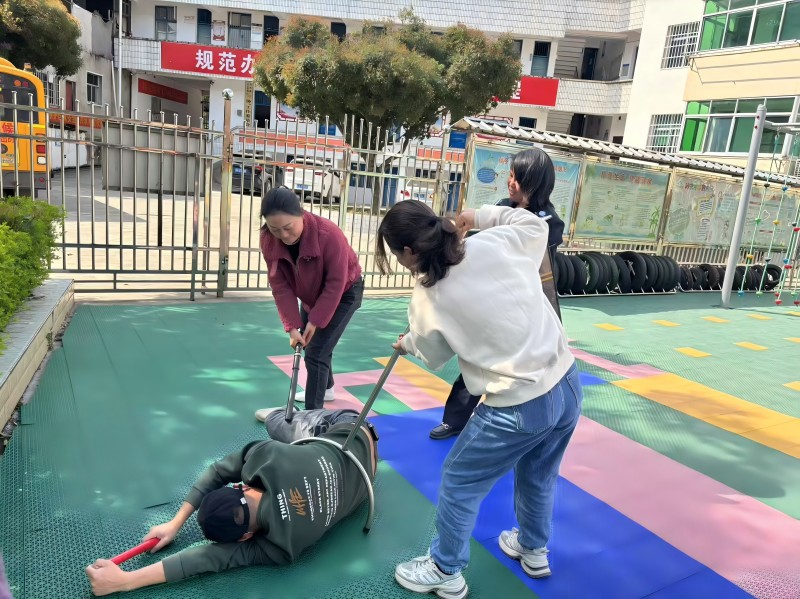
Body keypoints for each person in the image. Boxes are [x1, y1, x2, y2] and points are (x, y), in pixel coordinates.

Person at [375, 200, 582, 598]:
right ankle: (533, 548)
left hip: (519, 403)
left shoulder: (427, 296)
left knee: (460, 479)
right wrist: (480, 216)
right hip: (567, 382)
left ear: (410, 252)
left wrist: (407, 343)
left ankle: (445, 568)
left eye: (397, 254)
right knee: (539, 473)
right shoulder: (493, 242)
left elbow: (433, 352)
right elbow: (534, 227)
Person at [85, 408, 378, 596]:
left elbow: (208, 559)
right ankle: (283, 413)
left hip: (367, 480)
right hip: (352, 430)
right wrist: (176, 522)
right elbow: (217, 472)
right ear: (241, 485)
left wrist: (126, 580)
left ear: (245, 537)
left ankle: (286, 414)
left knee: (281, 422)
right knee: (277, 424)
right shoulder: (266, 457)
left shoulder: (280, 548)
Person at [430, 147, 565, 441]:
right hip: (495, 300)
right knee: (478, 360)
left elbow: (535, 245)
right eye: (511, 175)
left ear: (536, 182)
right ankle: (454, 420)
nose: (510, 182)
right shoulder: (503, 206)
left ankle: (532, 421)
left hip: (527, 307)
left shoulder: (548, 220)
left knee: (529, 369)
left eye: (518, 178)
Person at [255, 187, 363, 413]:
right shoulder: (268, 240)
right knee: (314, 344)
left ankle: (312, 417)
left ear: (301, 214)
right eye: (275, 229)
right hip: (310, 295)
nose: (283, 235)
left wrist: (315, 321)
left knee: (316, 351)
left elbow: (335, 283)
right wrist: (291, 326)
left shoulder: (328, 234)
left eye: (288, 227)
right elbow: (280, 286)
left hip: (345, 292)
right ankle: (327, 388)